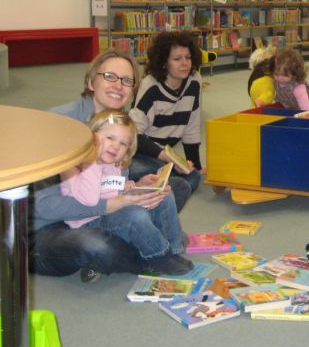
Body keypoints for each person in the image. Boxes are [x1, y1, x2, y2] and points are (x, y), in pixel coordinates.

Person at [33, 49, 165, 281]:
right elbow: (44, 207)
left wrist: (133, 189)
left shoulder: (118, 125)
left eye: (127, 81)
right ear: (90, 82)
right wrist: (110, 205)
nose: (119, 86)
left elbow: (111, 182)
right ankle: (153, 252)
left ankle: (136, 245)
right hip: (48, 228)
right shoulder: (59, 124)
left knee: (171, 188)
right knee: (96, 245)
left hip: (94, 213)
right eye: (109, 76)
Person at [60, 109, 192, 276]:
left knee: (164, 195)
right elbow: (91, 200)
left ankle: (173, 248)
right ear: (92, 138)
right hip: (89, 221)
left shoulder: (115, 163)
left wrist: (138, 187)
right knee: (134, 215)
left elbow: (114, 189)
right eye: (110, 138)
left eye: (123, 144)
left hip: (113, 209)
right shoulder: (85, 165)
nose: (116, 146)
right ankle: (160, 258)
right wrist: (92, 160)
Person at [130, 30, 204, 211]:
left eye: (188, 57)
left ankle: (163, 187)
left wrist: (194, 164)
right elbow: (133, 135)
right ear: (164, 62)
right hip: (144, 153)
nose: (185, 63)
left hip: (168, 158)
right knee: (147, 173)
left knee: (193, 176)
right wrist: (167, 157)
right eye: (177, 59)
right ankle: (160, 188)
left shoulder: (194, 81)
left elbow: (192, 126)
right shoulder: (150, 85)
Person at [273, 46, 309, 111]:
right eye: (276, 74)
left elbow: (306, 110)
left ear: (294, 72)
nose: (280, 78)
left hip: (301, 110)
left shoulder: (298, 87)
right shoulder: (275, 81)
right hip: (287, 109)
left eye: (285, 75)